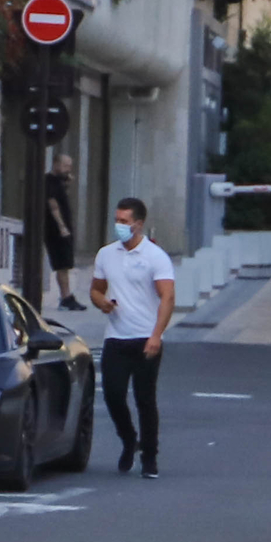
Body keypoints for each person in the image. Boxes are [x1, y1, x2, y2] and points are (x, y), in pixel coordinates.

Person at [88, 197, 178, 479]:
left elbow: (167, 297)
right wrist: (101, 302)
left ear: (138, 224)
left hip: (145, 337)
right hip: (116, 336)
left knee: (144, 399)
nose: (119, 226)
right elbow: (95, 290)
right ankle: (129, 439)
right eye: (117, 220)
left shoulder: (155, 257)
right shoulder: (106, 254)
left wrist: (156, 335)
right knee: (113, 395)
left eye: (125, 221)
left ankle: (149, 456)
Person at [44, 153, 83, 309]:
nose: (68, 169)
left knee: (65, 264)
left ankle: (66, 297)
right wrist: (61, 227)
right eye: (66, 166)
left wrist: (67, 183)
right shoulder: (49, 182)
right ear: (56, 164)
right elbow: (53, 206)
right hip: (56, 230)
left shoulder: (59, 182)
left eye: (70, 166)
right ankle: (66, 297)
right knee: (62, 265)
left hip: (63, 228)